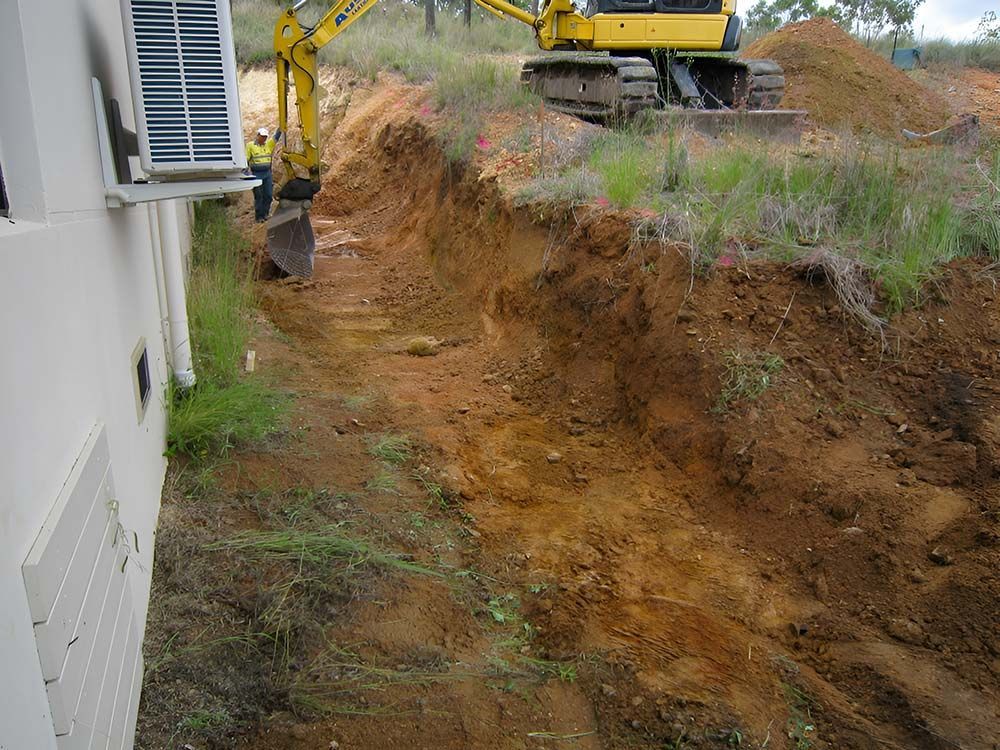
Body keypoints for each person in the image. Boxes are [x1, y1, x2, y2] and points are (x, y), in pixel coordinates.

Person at [246, 126, 282, 222]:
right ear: (258, 135)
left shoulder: (268, 145)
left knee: (268, 195)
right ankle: (259, 217)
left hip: (267, 174)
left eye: (265, 137)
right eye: (262, 136)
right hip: (256, 174)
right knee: (259, 196)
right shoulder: (250, 146)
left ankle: (265, 214)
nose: (264, 138)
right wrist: (246, 172)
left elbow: (276, 137)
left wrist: (281, 127)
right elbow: (246, 159)